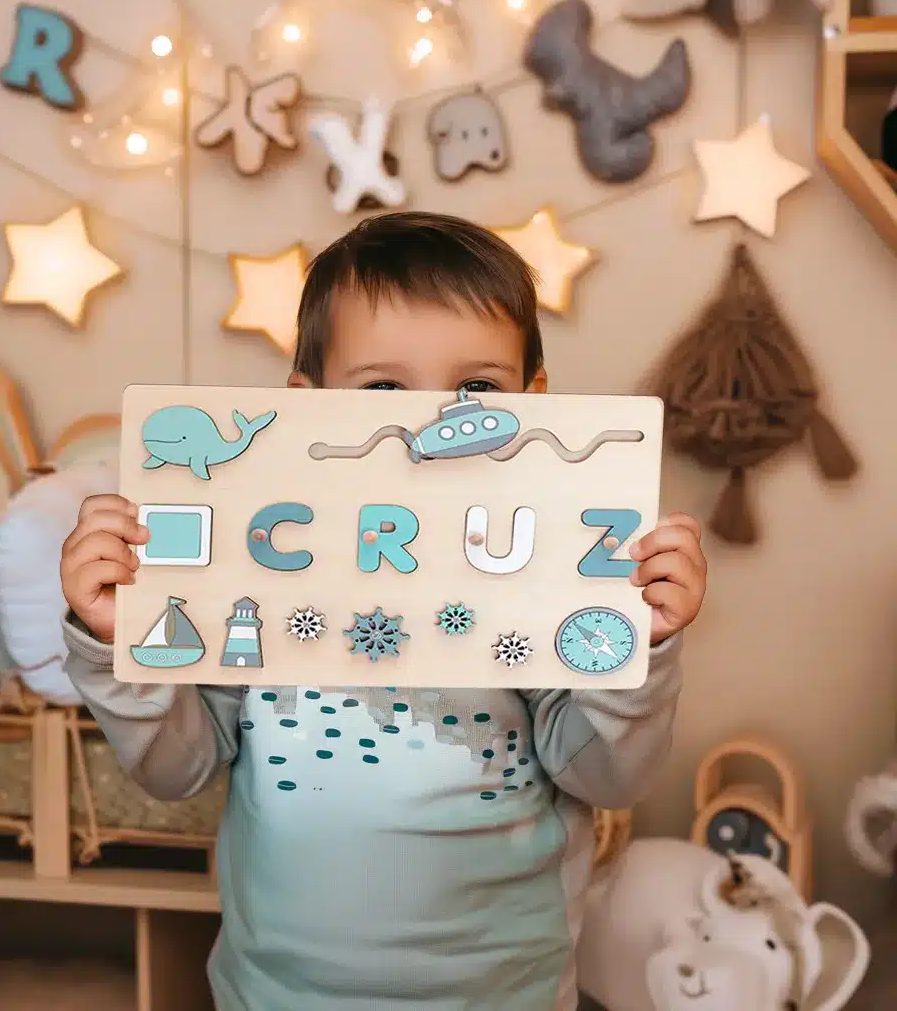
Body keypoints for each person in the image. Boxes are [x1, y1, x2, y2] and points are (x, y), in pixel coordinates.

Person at [59, 211, 707, 1010]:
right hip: (281, 996)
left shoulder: (544, 573)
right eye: (383, 389)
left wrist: (634, 647)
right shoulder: (254, 575)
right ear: (308, 406)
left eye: (477, 388)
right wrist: (115, 643)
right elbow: (175, 769)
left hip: (507, 995)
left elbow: (608, 776)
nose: (431, 424)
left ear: (536, 404)